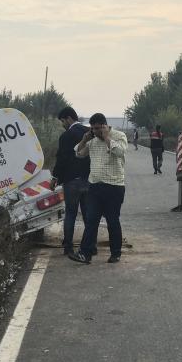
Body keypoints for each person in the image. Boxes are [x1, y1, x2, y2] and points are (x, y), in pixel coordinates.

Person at [68, 113, 128, 264]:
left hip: (114, 187)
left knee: (112, 220)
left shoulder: (119, 136)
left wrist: (107, 137)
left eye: (98, 129)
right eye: (92, 129)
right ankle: (85, 254)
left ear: (105, 126)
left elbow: (120, 152)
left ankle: (116, 253)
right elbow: (78, 154)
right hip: (94, 186)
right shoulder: (92, 141)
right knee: (91, 220)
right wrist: (84, 139)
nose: (95, 132)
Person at [51, 106, 91, 256]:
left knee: (71, 214)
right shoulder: (89, 132)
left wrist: (55, 178)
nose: (63, 124)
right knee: (88, 215)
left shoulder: (66, 136)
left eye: (63, 121)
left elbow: (61, 159)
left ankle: (68, 247)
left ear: (69, 118)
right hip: (88, 180)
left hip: (71, 181)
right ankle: (90, 246)